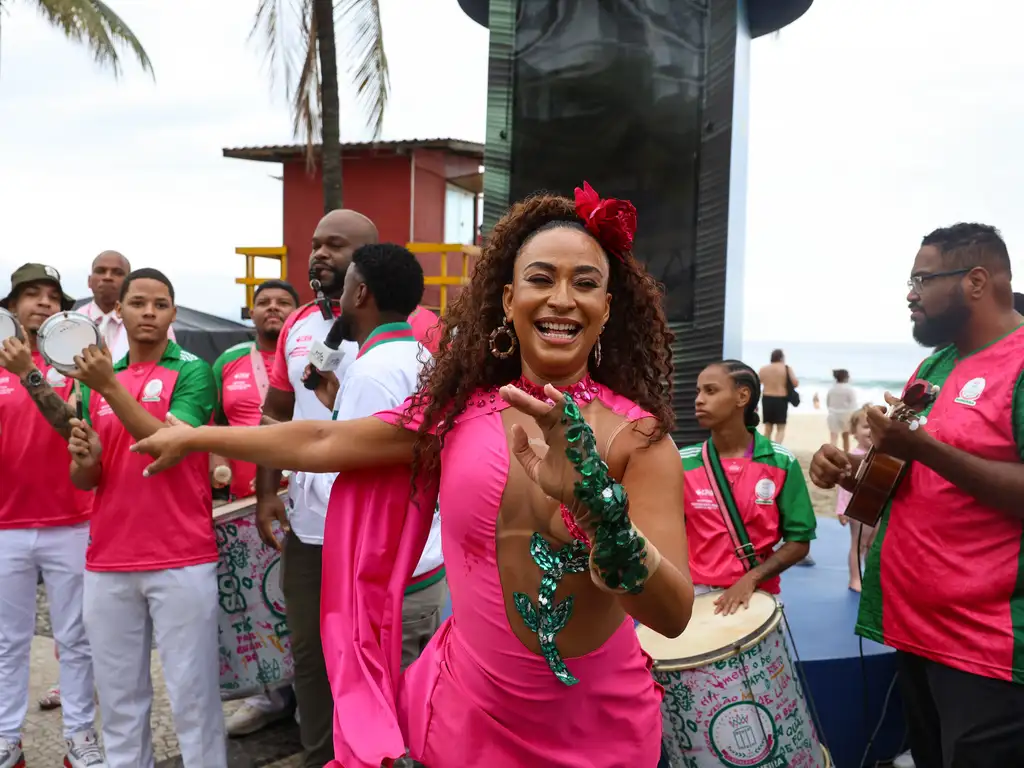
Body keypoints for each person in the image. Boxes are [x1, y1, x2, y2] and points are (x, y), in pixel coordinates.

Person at [130, 183, 695, 767]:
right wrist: (195, 437)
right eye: (541, 278)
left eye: (585, 283)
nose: (561, 299)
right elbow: (324, 439)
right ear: (508, 299)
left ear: (607, 306)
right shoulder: (456, 416)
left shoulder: (639, 442)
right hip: (463, 722)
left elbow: (673, 615)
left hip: (598, 733)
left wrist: (599, 511)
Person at [810, 223, 1024, 768]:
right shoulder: (934, 367)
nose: (910, 294)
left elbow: (928, 453)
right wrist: (848, 471)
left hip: (987, 649)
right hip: (913, 629)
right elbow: (901, 473)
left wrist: (924, 447)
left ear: (976, 281)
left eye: (922, 280)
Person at [255, 209, 435, 767]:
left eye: (335, 246)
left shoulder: (418, 328)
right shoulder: (299, 325)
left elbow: (389, 438)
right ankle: (321, 756)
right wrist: (266, 493)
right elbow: (277, 413)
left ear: (366, 267)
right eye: (315, 243)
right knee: (314, 658)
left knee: (380, 666)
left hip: (382, 542)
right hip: (312, 530)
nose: (319, 254)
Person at [64, 268, 226, 768]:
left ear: (173, 312)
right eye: (138, 303)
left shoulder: (194, 371)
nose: (149, 313)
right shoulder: (97, 383)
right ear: (120, 311)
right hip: (109, 560)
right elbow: (86, 479)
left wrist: (108, 386)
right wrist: (85, 458)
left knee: (193, 697)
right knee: (119, 703)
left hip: (182, 556)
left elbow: (164, 447)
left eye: (160, 304)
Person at [307, 242, 447, 671]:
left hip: (390, 581)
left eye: (346, 288)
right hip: (426, 565)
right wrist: (336, 402)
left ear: (361, 293)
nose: (341, 301)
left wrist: (301, 470)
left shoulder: (370, 373)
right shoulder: (423, 357)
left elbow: (344, 482)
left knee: (384, 703)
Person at [0, 264, 106, 768]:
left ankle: (79, 737)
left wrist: (29, 372)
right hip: (5, 526)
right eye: (31, 294)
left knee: (76, 639)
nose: (43, 302)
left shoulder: (76, 366)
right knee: (8, 642)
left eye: (52, 296)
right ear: (11, 306)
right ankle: (7, 739)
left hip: (72, 521)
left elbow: (73, 430)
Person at [210, 278, 300, 736]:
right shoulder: (228, 361)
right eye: (264, 302)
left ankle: (308, 697)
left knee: (300, 599)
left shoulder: (308, 355)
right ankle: (269, 697)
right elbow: (214, 422)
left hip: (297, 501)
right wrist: (218, 468)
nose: (273, 308)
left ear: (297, 313)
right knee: (256, 603)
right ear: (252, 311)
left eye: (283, 302)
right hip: (242, 504)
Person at [679, 360, 815, 614]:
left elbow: (799, 541)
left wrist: (752, 578)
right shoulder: (682, 462)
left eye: (710, 391)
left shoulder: (781, 462)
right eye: (698, 392)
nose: (699, 400)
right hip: (694, 597)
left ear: (742, 396)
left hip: (757, 598)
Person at [79, 250, 176, 360]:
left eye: (118, 272)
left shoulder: (154, 323)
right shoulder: (72, 321)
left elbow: (169, 364)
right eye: (100, 271)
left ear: (129, 282)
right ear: (89, 281)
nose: (107, 277)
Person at [834, 404, 875, 593]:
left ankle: (869, 577)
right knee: (858, 545)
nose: (871, 431)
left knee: (872, 546)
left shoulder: (882, 456)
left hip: (877, 509)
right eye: (866, 427)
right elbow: (844, 486)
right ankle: (855, 578)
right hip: (857, 509)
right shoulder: (853, 457)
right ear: (854, 432)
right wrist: (842, 509)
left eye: (874, 427)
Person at [759, 348, 798, 444]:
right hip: (781, 399)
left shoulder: (764, 369)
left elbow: (757, 383)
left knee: (768, 428)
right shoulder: (786, 368)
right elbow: (795, 383)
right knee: (781, 428)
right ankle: (777, 448)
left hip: (767, 399)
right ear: (781, 358)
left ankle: (766, 449)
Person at [826, 368, 858, 451]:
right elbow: (853, 404)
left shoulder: (832, 389)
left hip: (833, 415)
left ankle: (832, 454)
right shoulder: (849, 389)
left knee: (833, 438)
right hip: (846, 415)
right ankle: (846, 454)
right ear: (846, 377)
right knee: (845, 437)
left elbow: (828, 403)